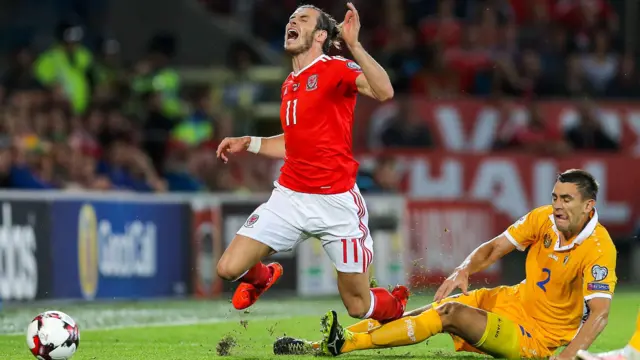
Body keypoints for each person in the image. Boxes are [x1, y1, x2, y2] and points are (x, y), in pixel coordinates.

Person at [274, 169, 617, 360]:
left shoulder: (599, 249)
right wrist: (464, 269)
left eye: (566, 199)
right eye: (555, 197)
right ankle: (322, 346)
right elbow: (495, 247)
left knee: (447, 315)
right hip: (510, 302)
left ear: (589, 206)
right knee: (421, 314)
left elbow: (598, 314)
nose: (557, 205)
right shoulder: (543, 218)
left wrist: (569, 356)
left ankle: (343, 345)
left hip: (535, 337)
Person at [215, 3, 408, 324]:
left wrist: (355, 46)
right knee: (228, 269)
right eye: (291, 18)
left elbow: (384, 91)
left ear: (320, 35)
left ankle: (396, 307)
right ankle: (263, 277)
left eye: (302, 19)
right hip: (290, 197)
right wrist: (249, 142)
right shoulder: (290, 82)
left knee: (358, 306)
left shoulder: (336, 68)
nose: (292, 21)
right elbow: (294, 142)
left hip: (336, 202)